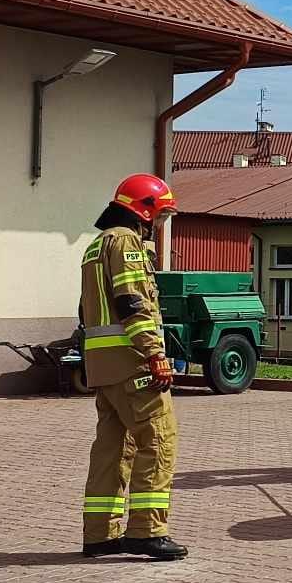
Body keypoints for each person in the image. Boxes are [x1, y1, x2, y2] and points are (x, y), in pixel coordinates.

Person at [76, 173, 185, 561]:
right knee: (158, 441)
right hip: (132, 363)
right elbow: (133, 303)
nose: (160, 224)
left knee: (111, 449)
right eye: (161, 215)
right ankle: (146, 531)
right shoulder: (126, 242)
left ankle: (100, 534)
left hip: (103, 367)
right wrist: (155, 353)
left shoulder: (96, 246)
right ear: (145, 210)